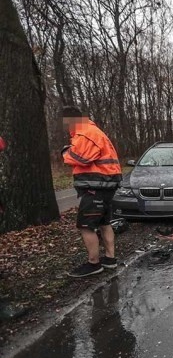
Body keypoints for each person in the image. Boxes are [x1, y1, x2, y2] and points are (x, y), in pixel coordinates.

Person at [61, 106, 122, 278]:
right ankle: (110, 259)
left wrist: (65, 151)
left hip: (96, 187)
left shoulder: (85, 133)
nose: (65, 126)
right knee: (104, 222)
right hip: (105, 185)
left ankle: (93, 263)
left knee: (86, 225)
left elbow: (80, 157)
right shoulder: (93, 131)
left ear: (70, 119)